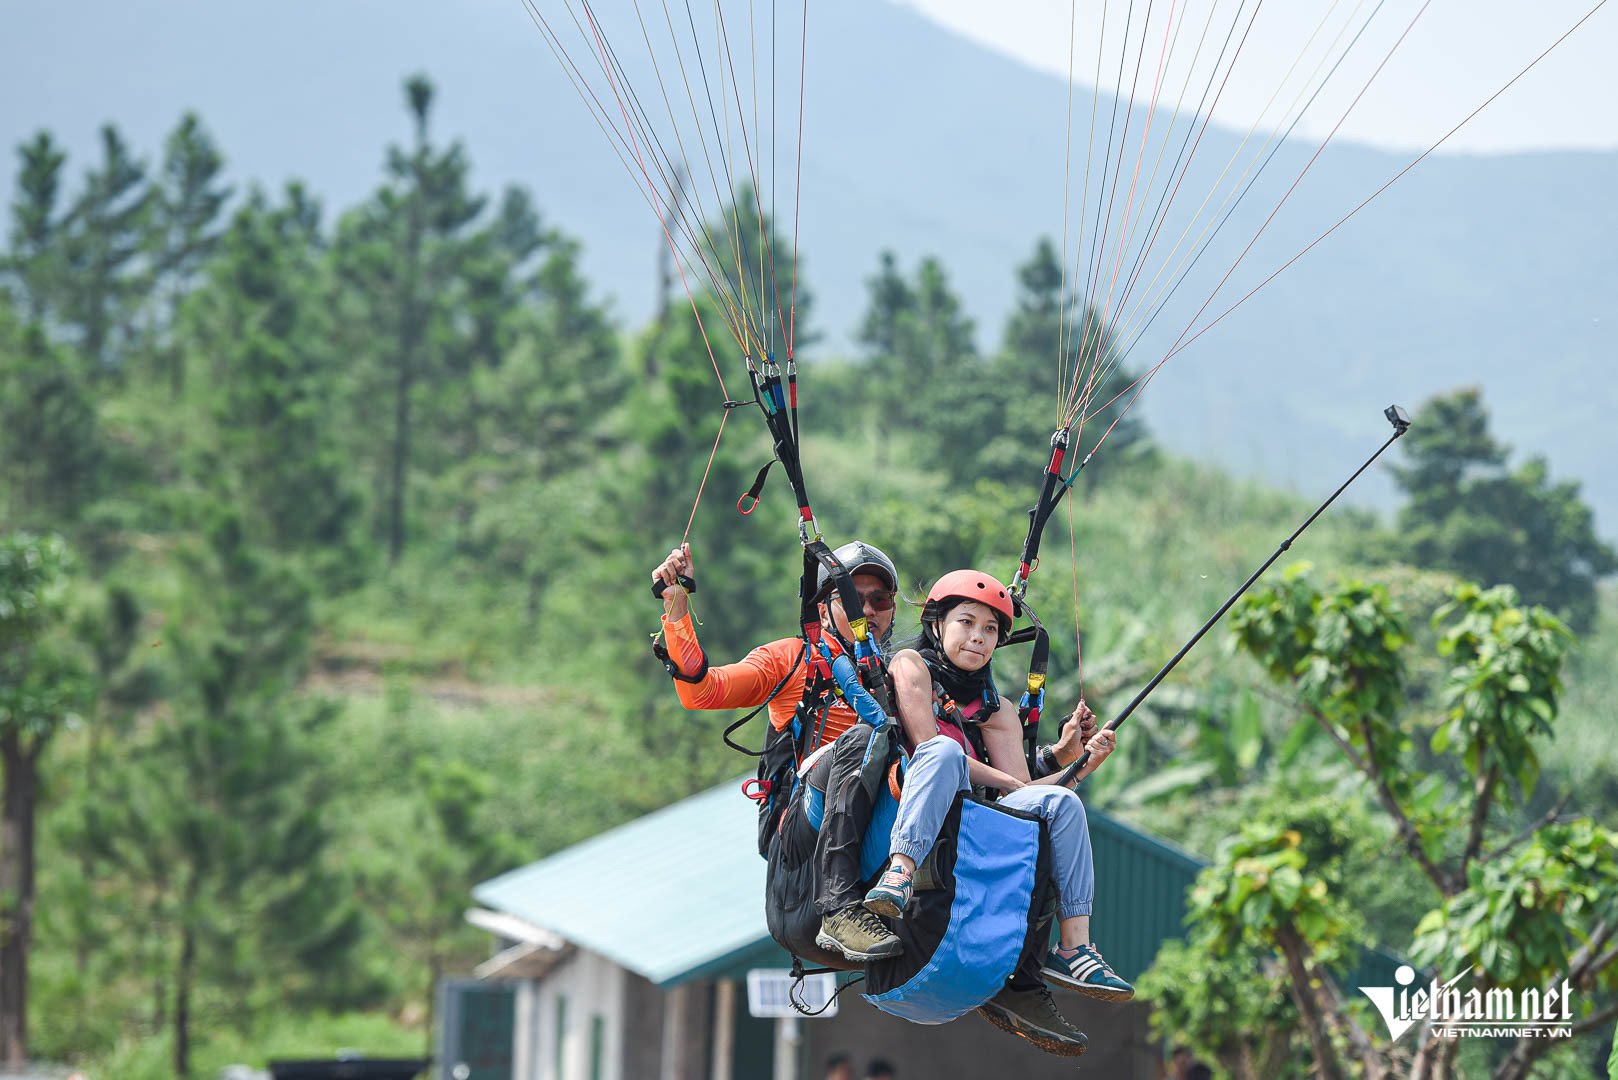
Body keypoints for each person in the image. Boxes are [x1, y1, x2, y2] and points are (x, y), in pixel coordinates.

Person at [861, 569, 1132, 1044]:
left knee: (1062, 802)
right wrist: (1007, 780)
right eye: (966, 622)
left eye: (990, 630)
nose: (978, 638)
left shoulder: (998, 709)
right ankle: (900, 873)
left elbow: (1023, 798)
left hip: (969, 818)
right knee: (944, 752)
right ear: (937, 624)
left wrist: (1083, 766)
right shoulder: (910, 665)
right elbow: (929, 750)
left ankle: (1075, 946)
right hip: (910, 805)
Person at [652, 539, 905, 962]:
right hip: (800, 833)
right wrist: (677, 609)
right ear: (823, 608)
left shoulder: (899, 675)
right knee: (860, 740)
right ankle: (838, 909)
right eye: (852, 599)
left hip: (869, 833)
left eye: (880, 600)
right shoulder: (793, 658)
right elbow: (702, 691)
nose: (869, 611)